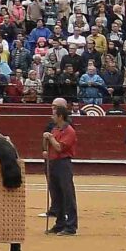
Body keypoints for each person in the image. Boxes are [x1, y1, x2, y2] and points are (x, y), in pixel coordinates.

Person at [43, 100, 79, 235]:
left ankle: (71, 226)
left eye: (54, 114)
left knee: (68, 194)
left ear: (60, 116)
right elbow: (47, 147)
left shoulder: (69, 131)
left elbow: (59, 147)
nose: (52, 116)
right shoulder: (55, 129)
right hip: (53, 163)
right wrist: (45, 139)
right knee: (56, 194)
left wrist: (50, 137)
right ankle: (60, 223)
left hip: (63, 163)